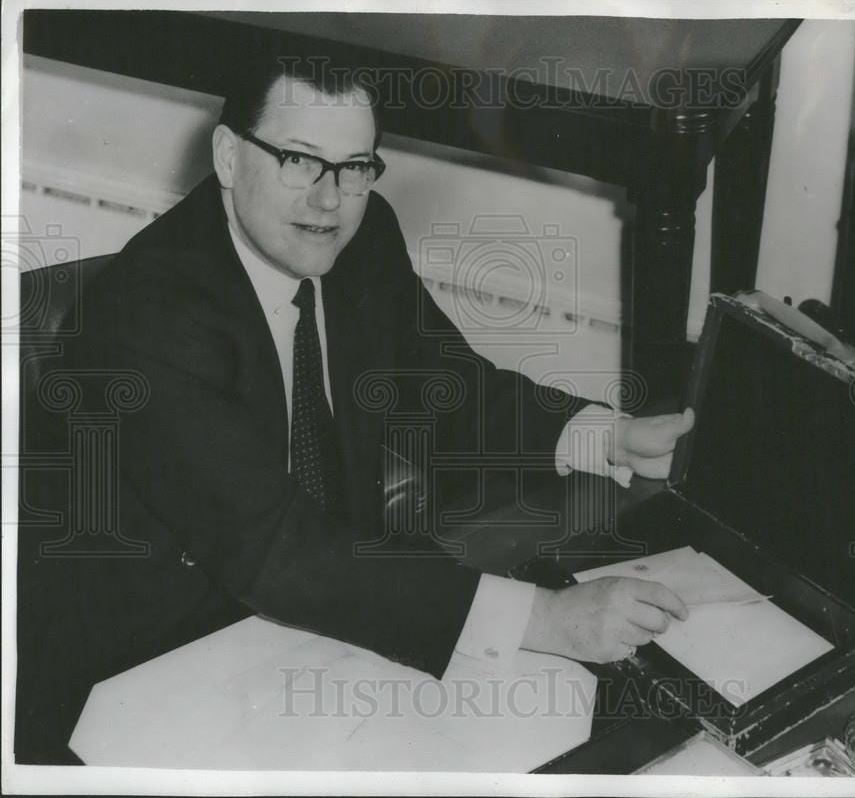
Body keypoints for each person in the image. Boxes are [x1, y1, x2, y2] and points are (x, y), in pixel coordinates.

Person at [16, 57, 694, 764]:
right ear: (227, 155)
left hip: (315, 620)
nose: (330, 200)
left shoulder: (361, 241)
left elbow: (446, 384)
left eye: (355, 167)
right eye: (299, 162)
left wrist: (603, 434)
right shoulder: (145, 313)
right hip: (143, 662)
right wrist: (547, 619)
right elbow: (276, 549)